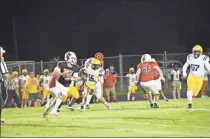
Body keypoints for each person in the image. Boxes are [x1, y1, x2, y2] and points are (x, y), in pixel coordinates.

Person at [44, 51, 80, 116]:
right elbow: (55, 73)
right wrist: (63, 74)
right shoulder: (62, 64)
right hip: (57, 82)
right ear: (67, 58)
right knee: (59, 96)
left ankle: (51, 108)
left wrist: (70, 78)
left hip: (65, 85)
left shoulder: (76, 67)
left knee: (61, 96)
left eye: (75, 58)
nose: (74, 60)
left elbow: (76, 78)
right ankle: (50, 105)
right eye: (72, 58)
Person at [0, 46, 10, 125]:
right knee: (1, 100)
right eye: (1, 53)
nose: (2, 55)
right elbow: (6, 75)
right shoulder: (1, 62)